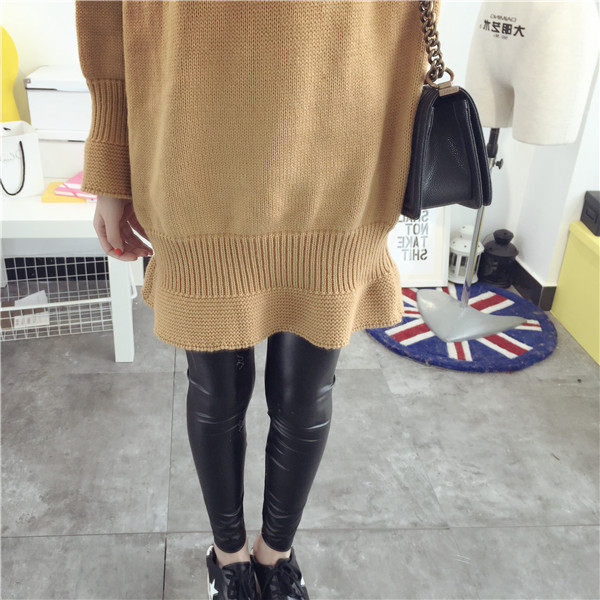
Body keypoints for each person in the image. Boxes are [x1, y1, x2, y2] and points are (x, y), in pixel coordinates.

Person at [75, 1, 435, 598]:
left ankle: (274, 558)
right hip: (195, 155)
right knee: (216, 394)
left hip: (343, 146)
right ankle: (229, 560)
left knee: (306, 394)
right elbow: (103, 18)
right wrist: (109, 163)